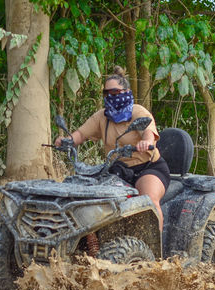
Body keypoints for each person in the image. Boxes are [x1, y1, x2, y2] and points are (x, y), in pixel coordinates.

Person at [55, 66, 170, 228]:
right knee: (93, 198)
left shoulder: (137, 111)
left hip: (147, 168)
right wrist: (66, 141)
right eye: (106, 93)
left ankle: (156, 249)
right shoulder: (102, 116)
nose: (110, 96)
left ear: (126, 91)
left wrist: (146, 143)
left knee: (148, 200)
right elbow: (81, 134)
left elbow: (148, 133)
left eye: (114, 92)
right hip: (118, 171)